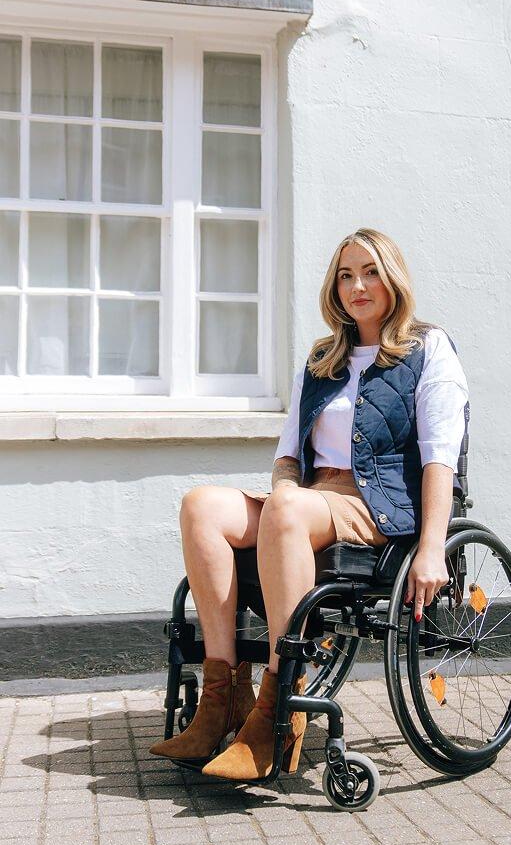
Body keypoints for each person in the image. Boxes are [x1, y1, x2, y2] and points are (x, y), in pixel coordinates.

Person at [149, 227, 470, 781]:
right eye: (345, 275)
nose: (357, 286)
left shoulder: (428, 348)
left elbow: (441, 456)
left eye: (369, 272)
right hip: (310, 496)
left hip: (380, 506)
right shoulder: (325, 357)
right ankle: (222, 693)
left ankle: (278, 711)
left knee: (288, 508)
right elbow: (287, 457)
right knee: (201, 505)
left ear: (392, 276)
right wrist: (282, 501)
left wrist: (433, 547)